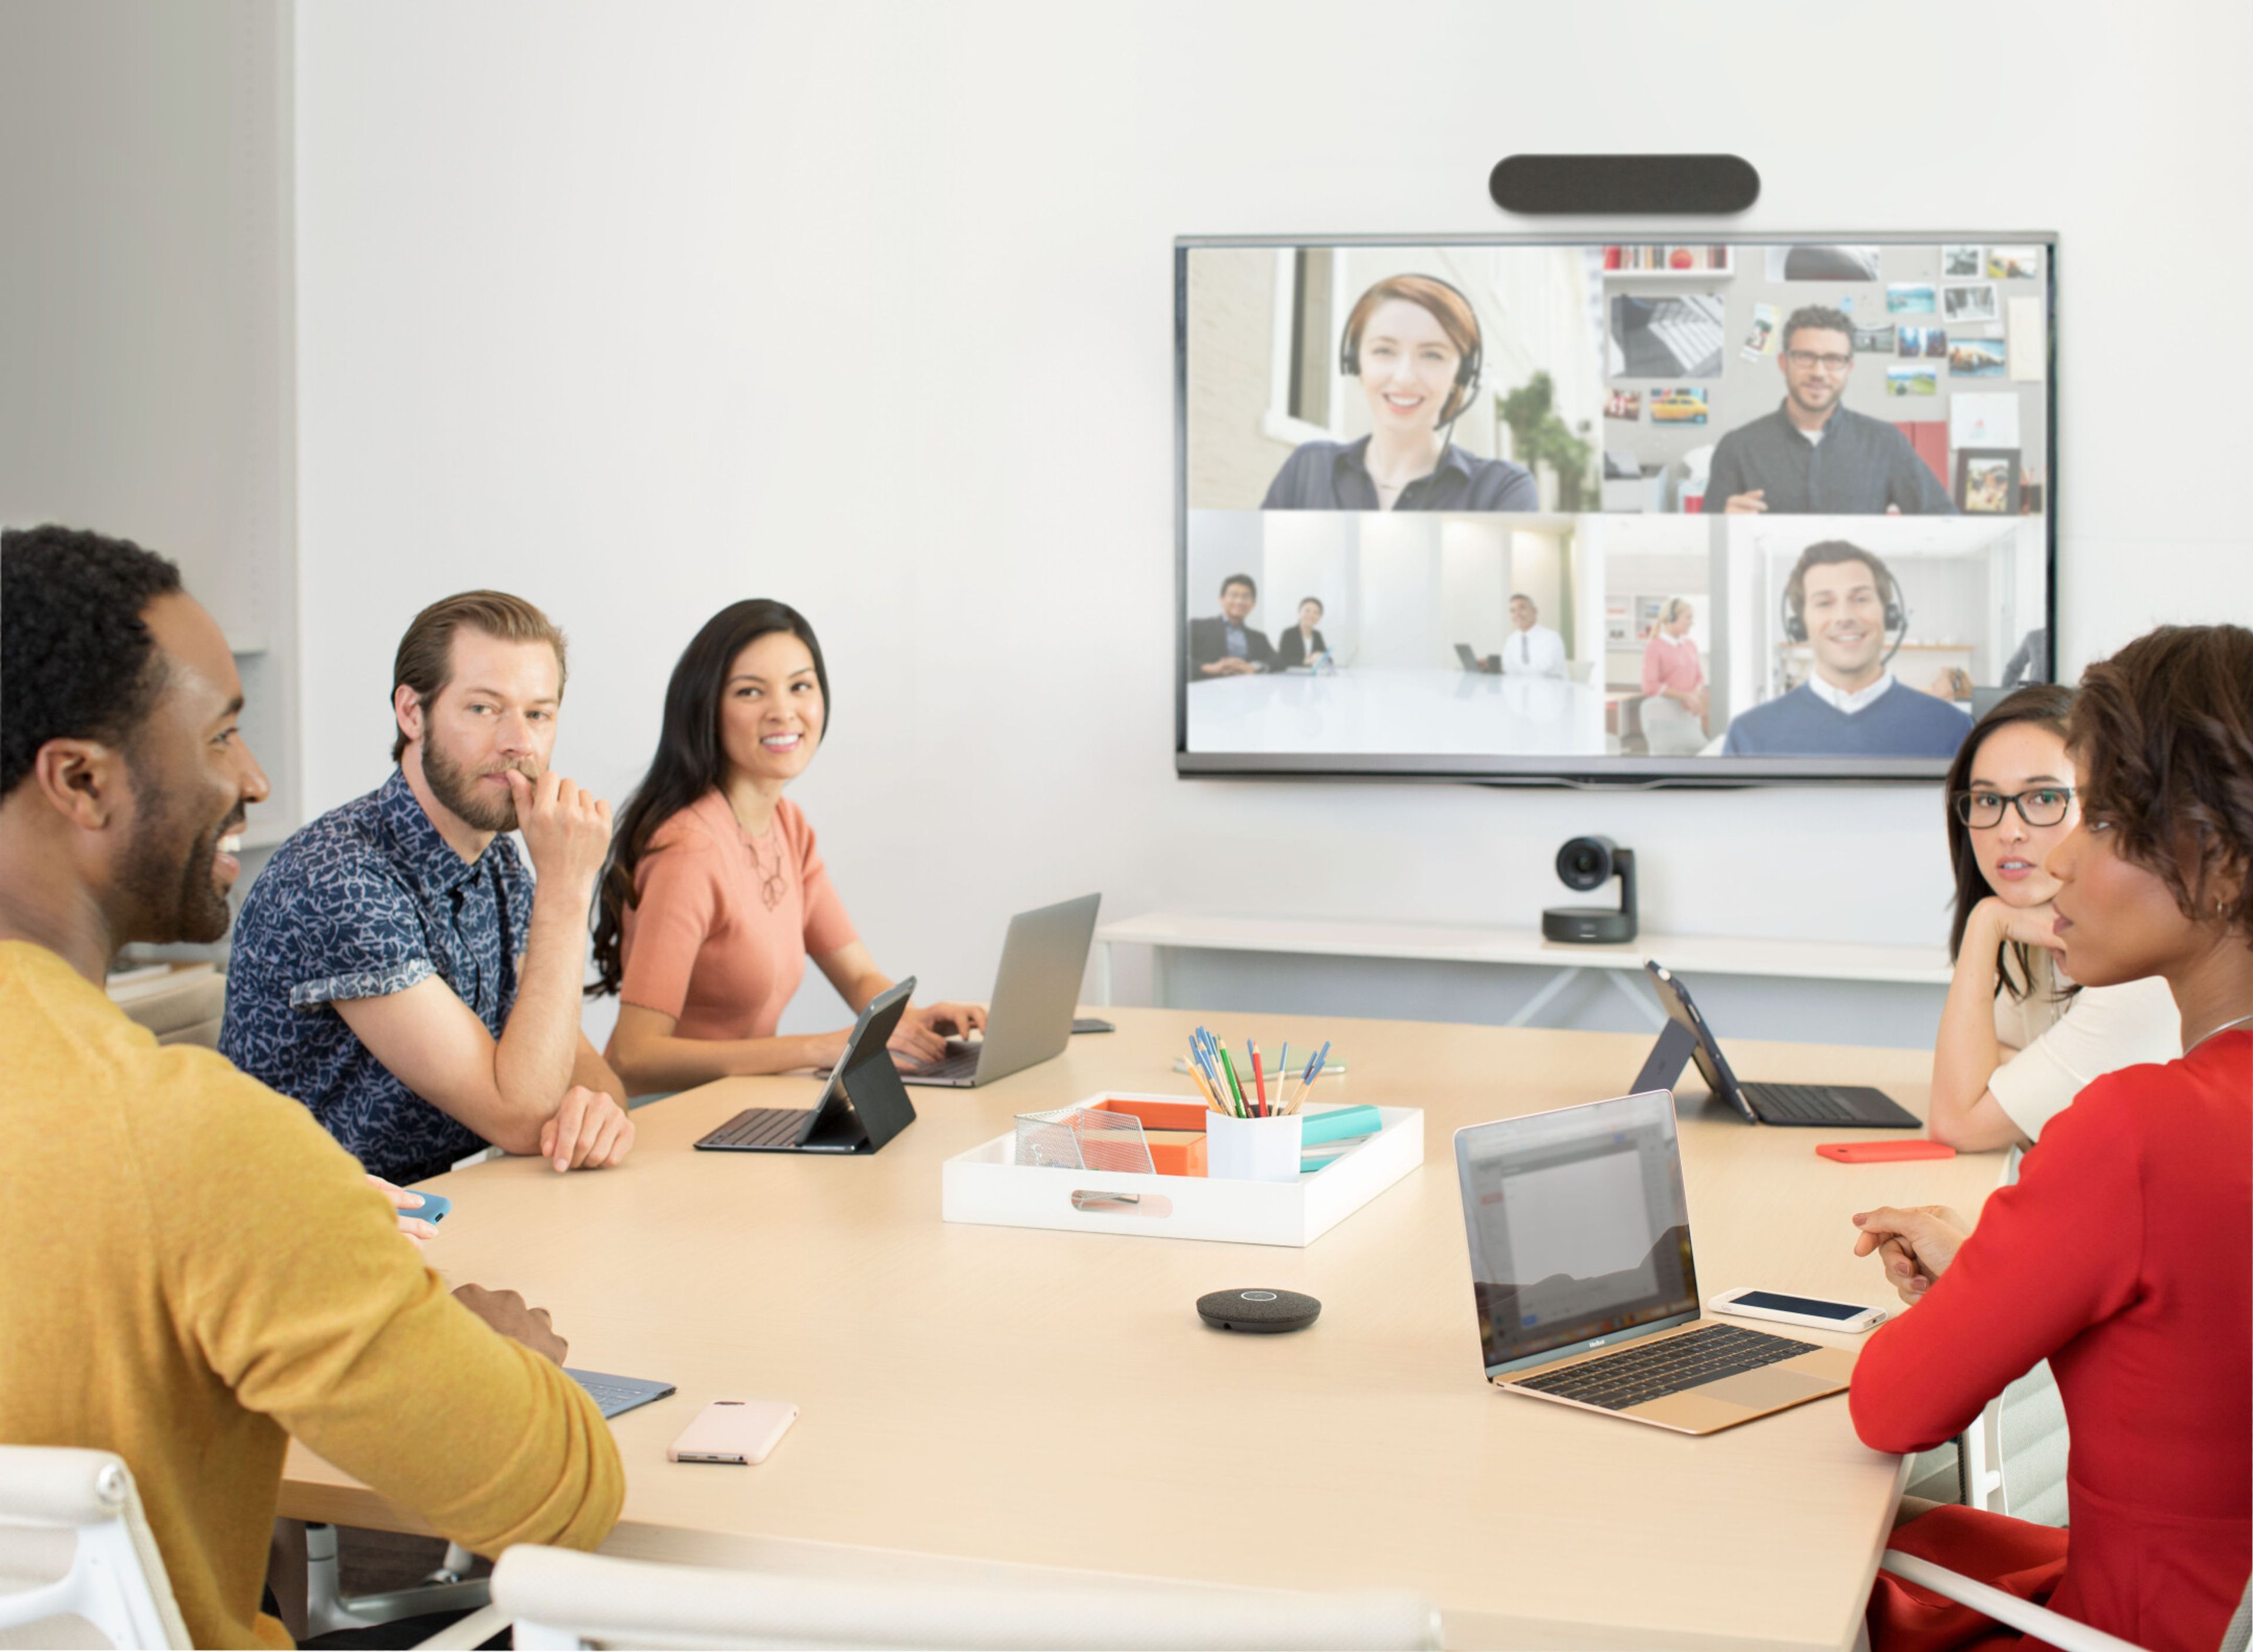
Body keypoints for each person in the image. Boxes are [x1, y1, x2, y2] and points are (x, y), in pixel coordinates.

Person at [0, 527, 621, 1650]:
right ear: (81, 781)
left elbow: (576, 1067)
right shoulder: (203, 1145)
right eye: (223, 735)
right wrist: (489, 1355)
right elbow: (561, 1492)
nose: (255, 780)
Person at [1849, 624, 2253, 1652]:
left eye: (2103, 818)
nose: (2056, 859)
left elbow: (1891, 1405)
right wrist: (2007, 1269)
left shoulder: (2144, 1127)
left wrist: (1993, 1292)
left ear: (2212, 858)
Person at [221, 591, 636, 1183]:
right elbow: (520, 1116)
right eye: (484, 709)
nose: (519, 742)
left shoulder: (498, 859)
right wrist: (568, 890)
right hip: (300, 1232)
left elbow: (579, 1063)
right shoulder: (340, 879)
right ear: (411, 712)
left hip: (439, 1207)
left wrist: (595, 1111)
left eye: (538, 714)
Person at [591, 601, 987, 1095]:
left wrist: (915, 1021)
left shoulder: (787, 825)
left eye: (801, 686)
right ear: (706, 708)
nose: (784, 711)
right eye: (750, 692)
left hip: (734, 1113)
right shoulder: (688, 850)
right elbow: (634, 1057)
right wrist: (823, 1047)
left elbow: (859, 974)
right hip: (661, 1122)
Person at [1925, 686, 2178, 1152]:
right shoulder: (2024, 927)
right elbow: (1967, 1087)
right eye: (1986, 800)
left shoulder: (2140, 978)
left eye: (2043, 797)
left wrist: (1985, 923)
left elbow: (1958, 1122)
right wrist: (1987, 921)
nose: (2009, 831)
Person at [1261, 274, 1537, 512]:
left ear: (1462, 375)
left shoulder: (1501, 490)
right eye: (1384, 351)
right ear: (1356, 362)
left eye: (1432, 355)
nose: (1405, 378)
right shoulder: (1308, 469)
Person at [1722, 541, 1973, 757]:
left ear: (1890, 615)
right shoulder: (1748, 735)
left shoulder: (1954, 728)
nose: (1844, 616)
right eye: (1824, 603)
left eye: (1861, 599)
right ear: (1800, 625)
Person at [1706, 306, 1957, 516]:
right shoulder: (1737, 447)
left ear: (1849, 369)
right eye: (1805, 356)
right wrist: (1721, 526)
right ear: (1784, 363)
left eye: (1834, 360)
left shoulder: (1885, 443)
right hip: (1771, 577)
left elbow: (1946, 522)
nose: (1818, 372)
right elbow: (1707, 548)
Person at [1638, 597, 1707, 756]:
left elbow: (1700, 678)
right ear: (1671, 618)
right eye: (1688, 617)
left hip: (1688, 715)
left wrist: (1694, 696)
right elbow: (1650, 685)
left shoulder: (1690, 645)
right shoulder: (1654, 647)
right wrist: (1685, 696)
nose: (1692, 622)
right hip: (1666, 716)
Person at [1186, 573, 1279, 680]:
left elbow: (1278, 660)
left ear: (1253, 603)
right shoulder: (1197, 626)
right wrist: (1207, 668)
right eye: (1234, 595)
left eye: (1246, 597)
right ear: (1221, 599)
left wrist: (1255, 667)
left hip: (1247, 692)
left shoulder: (1259, 637)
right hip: (1207, 691)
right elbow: (1176, 658)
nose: (1239, 601)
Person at [1498, 594, 1567, 678]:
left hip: (1550, 688)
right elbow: (1506, 666)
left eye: (1522, 608)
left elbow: (1545, 670)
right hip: (1518, 688)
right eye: (1513, 611)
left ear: (1535, 611)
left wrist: (1504, 667)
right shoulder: (1511, 639)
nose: (1517, 614)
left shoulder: (1552, 637)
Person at [1274, 595, 1330, 669]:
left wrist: (1323, 657)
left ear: (1320, 617)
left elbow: (1330, 661)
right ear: (1299, 613)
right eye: (1307, 611)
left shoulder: (1317, 635)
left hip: (1312, 678)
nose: (1311, 615)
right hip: (1290, 677)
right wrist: (1306, 661)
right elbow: (1282, 660)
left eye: (1316, 613)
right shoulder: (1288, 634)